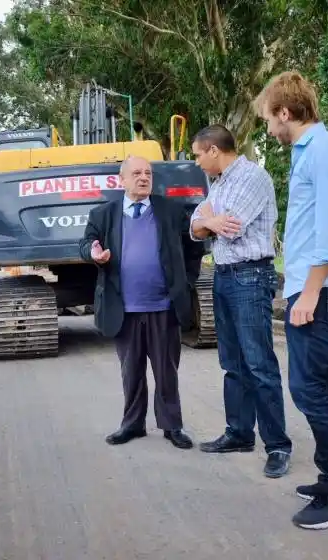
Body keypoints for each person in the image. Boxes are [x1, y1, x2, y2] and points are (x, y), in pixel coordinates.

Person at [255, 70, 328, 530]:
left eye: (268, 119)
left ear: (285, 112)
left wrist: (312, 290)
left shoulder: (323, 150)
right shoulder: (311, 153)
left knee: (306, 387)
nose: (267, 128)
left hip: (321, 286)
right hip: (318, 283)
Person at [79, 155, 206, 449]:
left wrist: (186, 282)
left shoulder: (170, 210)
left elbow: (194, 247)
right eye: (136, 173)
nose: (144, 177)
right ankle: (133, 424)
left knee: (166, 371)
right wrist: (93, 253)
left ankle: (172, 426)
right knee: (131, 371)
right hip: (124, 308)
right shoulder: (103, 215)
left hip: (164, 306)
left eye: (148, 173)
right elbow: (86, 243)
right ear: (121, 180)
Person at [189, 124, 292, 479]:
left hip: (250, 276)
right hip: (223, 276)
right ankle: (239, 433)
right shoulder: (218, 184)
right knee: (232, 362)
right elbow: (194, 225)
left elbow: (230, 226)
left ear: (214, 150)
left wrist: (210, 220)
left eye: (198, 153)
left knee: (258, 363)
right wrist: (208, 220)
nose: (197, 161)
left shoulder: (252, 177)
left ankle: (277, 445)